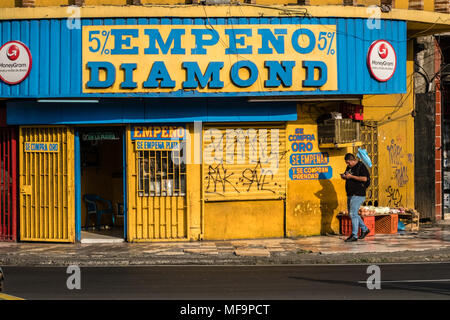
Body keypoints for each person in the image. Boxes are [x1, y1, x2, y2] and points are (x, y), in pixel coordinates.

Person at [340, 153, 371, 242]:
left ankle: (354, 235)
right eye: (346, 163)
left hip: (358, 194)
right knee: (352, 214)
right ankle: (365, 229)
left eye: (348, 162)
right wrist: (345, 177)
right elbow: (348, 176)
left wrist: (351, 176)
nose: (348, 164)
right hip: (350, 193)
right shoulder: (349, 168)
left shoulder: (361, 166)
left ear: (353, 160)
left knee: (353, 214)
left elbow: (365, 178)